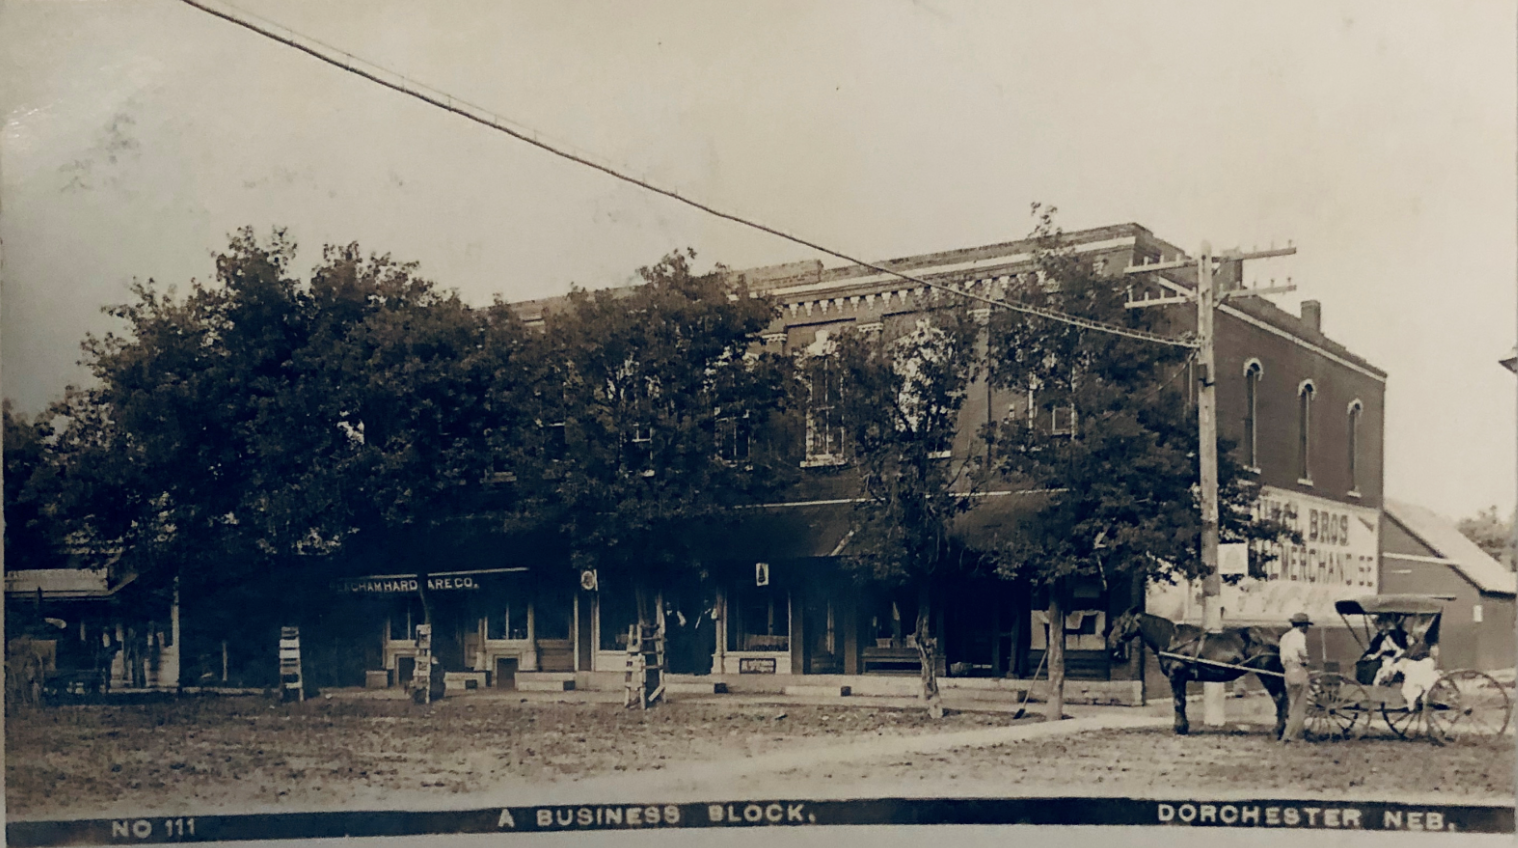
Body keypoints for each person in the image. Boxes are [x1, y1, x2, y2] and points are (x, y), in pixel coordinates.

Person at [1279, 612, 1313, 743]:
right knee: (1300, 705)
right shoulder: (1299, 636)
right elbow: (1302, 652)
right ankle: (1295, 736)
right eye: (1306, 626)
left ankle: (1287, 735)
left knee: (1292, 704)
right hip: (1297, 669)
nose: (1307, 629)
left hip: (1287, 671)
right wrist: (1307, 660)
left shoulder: (1285, 636)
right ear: (1302, 626)